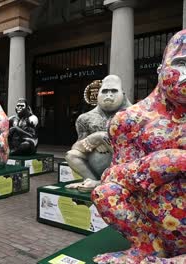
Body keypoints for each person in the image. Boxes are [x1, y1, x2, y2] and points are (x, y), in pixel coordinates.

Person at [92, 30, 186, 263]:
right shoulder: (131, 120)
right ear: (161, 68)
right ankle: (148, 250)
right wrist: (163, 163)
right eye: (181, 62)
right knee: (106, 194)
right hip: (153, 226)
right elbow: (112, 178)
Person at [65, 75, 130, 188]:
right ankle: (91, 180)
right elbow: (77, 147)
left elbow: (131, 151)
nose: (109, 95)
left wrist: (101, 138)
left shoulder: (132, 115)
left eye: (114, 91)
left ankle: (108, 183)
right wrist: (93, 139)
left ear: (123, 95)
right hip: (94, 163)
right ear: (99, 94)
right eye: (105, 91)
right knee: (71, 155)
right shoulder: (85, 118)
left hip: (123, 165)